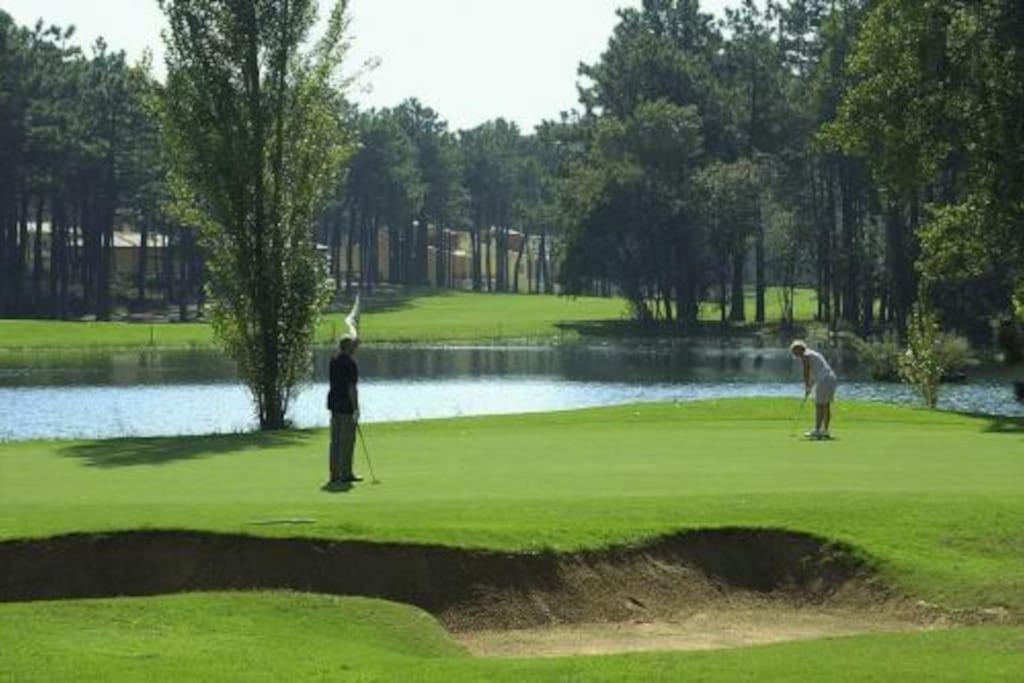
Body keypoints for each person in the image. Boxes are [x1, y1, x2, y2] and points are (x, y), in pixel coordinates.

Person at [327, 335, 361, 484]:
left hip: (334, 404)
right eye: (352, 345)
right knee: (347, 441)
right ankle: (345, 473)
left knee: (335, 441)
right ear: (348, 347)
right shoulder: (350, 363)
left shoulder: (333, 361)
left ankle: (334, 474)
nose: (355, 348)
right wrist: (356, 408)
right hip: (346, 406)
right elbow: (351, 387)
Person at [790, 340, 838, 439]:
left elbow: (806, 371)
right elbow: (814, 374)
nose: (795, 355)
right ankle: (824, 431)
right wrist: (809, 387)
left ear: (799, 349)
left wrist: (807, 386)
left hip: (824, 379)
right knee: (825, 405)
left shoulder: (806, 355)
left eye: (795, 352)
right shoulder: (811, 353)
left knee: (819, 405)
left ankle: (817, 430)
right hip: (830, 378)